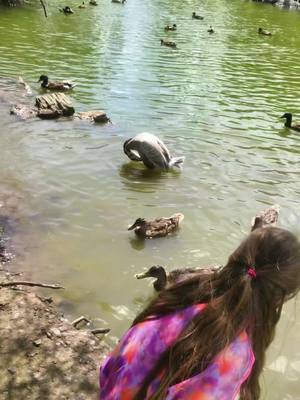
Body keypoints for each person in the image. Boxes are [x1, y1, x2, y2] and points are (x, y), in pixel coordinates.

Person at [99, 227, 300, 399]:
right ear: (283, 296)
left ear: (235, 258)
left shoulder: (176, 297)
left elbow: (108, 368)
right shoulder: (235, 356)